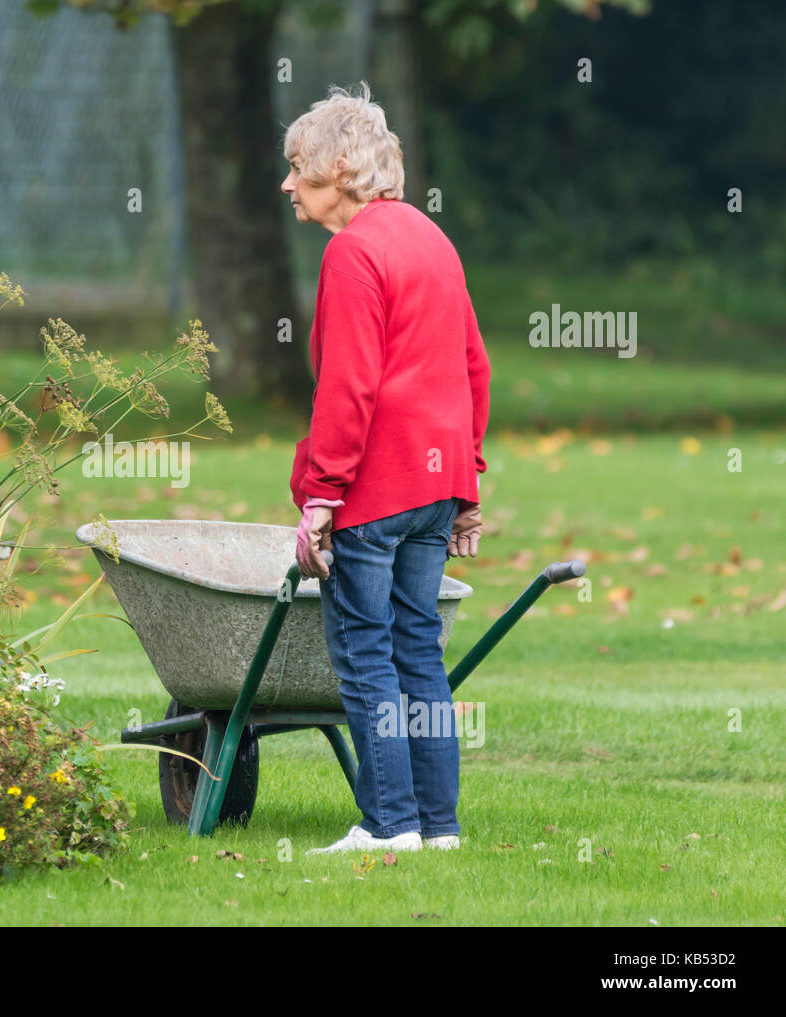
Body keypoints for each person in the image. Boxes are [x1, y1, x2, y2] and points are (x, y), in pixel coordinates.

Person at [282, 82, 490, 853]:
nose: (287, 183)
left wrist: (321, 495)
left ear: (339, 167)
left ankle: (388, 824)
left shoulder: (353, 251)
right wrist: (465, 481)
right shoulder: (433, 239)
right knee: (419, 653)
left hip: (375, 492)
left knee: (366, 655)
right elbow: (473, 366)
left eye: (296, 165)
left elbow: (348, 385)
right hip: (435, 490)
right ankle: (439, 828)